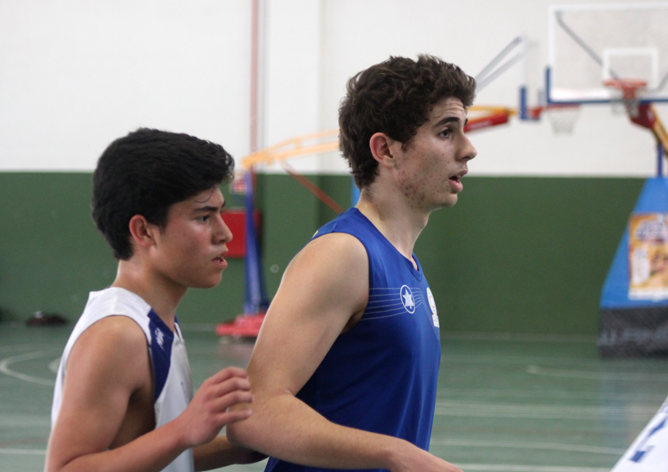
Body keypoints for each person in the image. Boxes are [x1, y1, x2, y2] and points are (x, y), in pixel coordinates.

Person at [227, 55, 477, 472]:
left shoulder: (404, 262)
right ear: (385, 150)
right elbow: (254, 412)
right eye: (446, 131)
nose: (468, 148)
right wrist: (395, 453)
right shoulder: (343, 254)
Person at [45, 129, 264, 472]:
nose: (225, 233)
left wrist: (239, 448)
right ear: (144, 231)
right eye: (203, 217)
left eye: (221, 213)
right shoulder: (117, 336)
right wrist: (183, 430)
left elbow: (147, 454)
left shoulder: (154, 321)